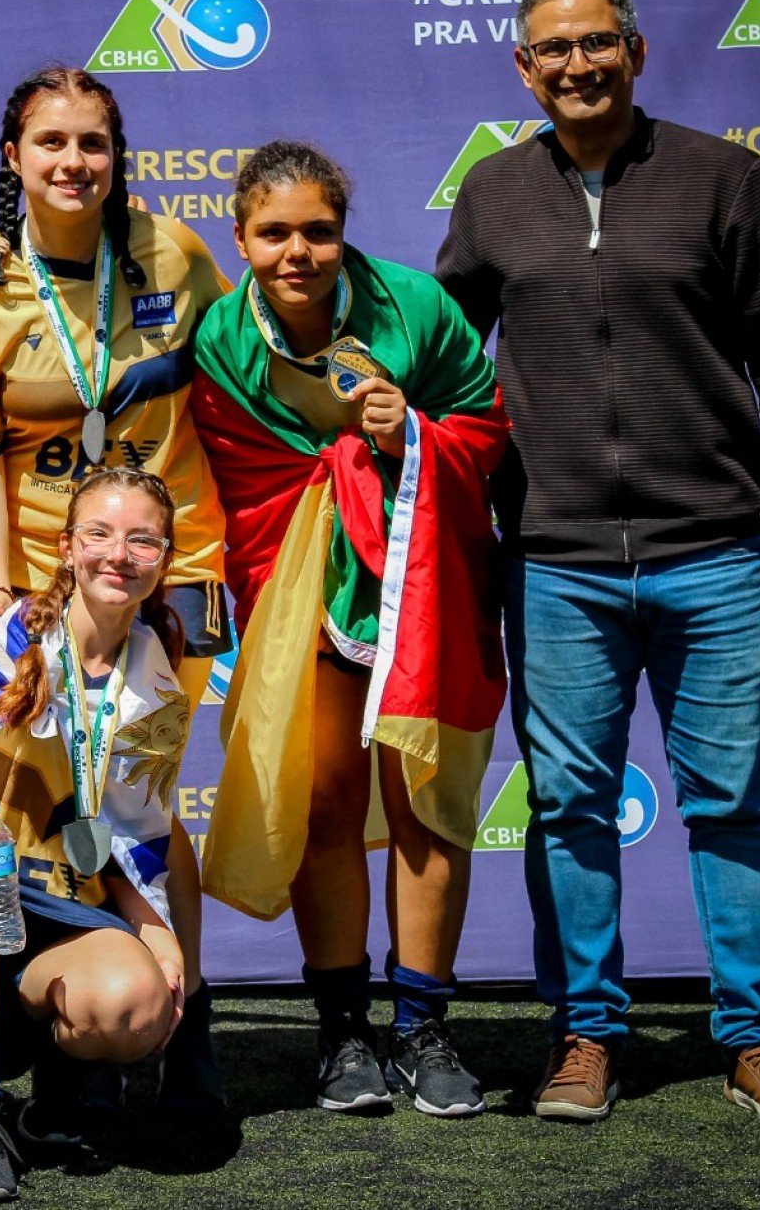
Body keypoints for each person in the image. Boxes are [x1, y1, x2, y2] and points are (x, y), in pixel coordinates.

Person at [436, 0, 760, 1128]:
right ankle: (584, 1037)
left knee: (732, 805)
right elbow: (447, 350)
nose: (577, 65)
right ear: (524, 69)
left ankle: (759, 1038)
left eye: (597, 42)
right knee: (567, 804)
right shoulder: (494, 190)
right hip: (556, 557)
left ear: (637, 50)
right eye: (553, 50)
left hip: (715, 553)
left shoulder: (726, 177)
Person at [0, 66, 229, 1116]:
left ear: (118, 154)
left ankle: (185, 1028)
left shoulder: (172, 251)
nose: (72, 162)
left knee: (147, 792)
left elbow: (232, 378)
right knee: (37, 785)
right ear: (13, 158)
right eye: (49, 142)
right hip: (55, 572)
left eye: (92, 143)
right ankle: (60, 1015)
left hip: (170, 564)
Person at [191, 143, 508, 1119]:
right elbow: (236, 482)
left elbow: (488, 424)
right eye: (275, 234)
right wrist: (338, 474)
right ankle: (344, 1034)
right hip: (301, 590)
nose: (299, 253)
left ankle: (424, 1028)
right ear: (240, 238)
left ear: (345, 232)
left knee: (425, 803)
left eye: (319, 232)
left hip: (423, 581)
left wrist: (408, 434)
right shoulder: (219, 340)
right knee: (326, 802)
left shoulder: (412, 305)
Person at [0, 467, 202, 1200]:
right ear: (66, 547)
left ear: (164, 556)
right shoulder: (3, 637)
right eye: (98, 534)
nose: (117, 555)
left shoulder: (158, 678)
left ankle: (59, 1081)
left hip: (66, 905)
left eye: (141, 539)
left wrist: (156, 929)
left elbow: (133, 832)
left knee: (137, 1001)